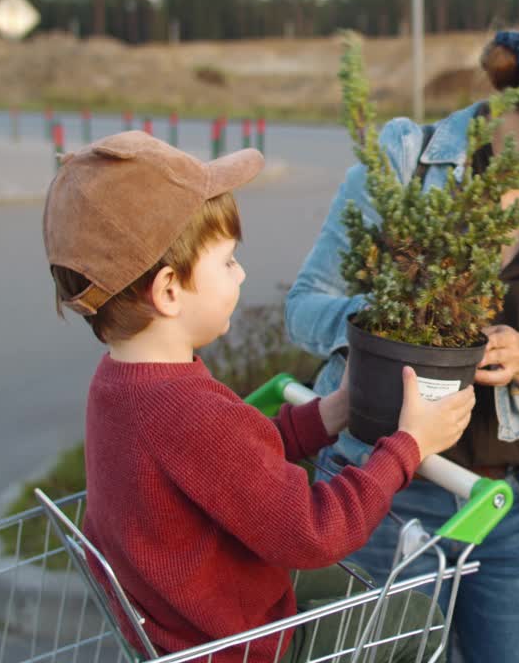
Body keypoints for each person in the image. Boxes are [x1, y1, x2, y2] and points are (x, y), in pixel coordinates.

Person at [286, 3, 519, 662]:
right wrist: (402, 314)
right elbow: (305, 309)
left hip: (514, 514)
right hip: (379, 502)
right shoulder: (405, 160)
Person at [41, 131, 474, 662]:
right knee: (416, 622)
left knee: (344, 593)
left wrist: (326, 415)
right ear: (169, 290)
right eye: (227, 262)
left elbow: (232, 464)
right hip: (239, 647)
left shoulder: (118, 384)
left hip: (188, 624)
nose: (242, 272)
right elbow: (316, 532)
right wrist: (409, 444)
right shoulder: (188, 411)